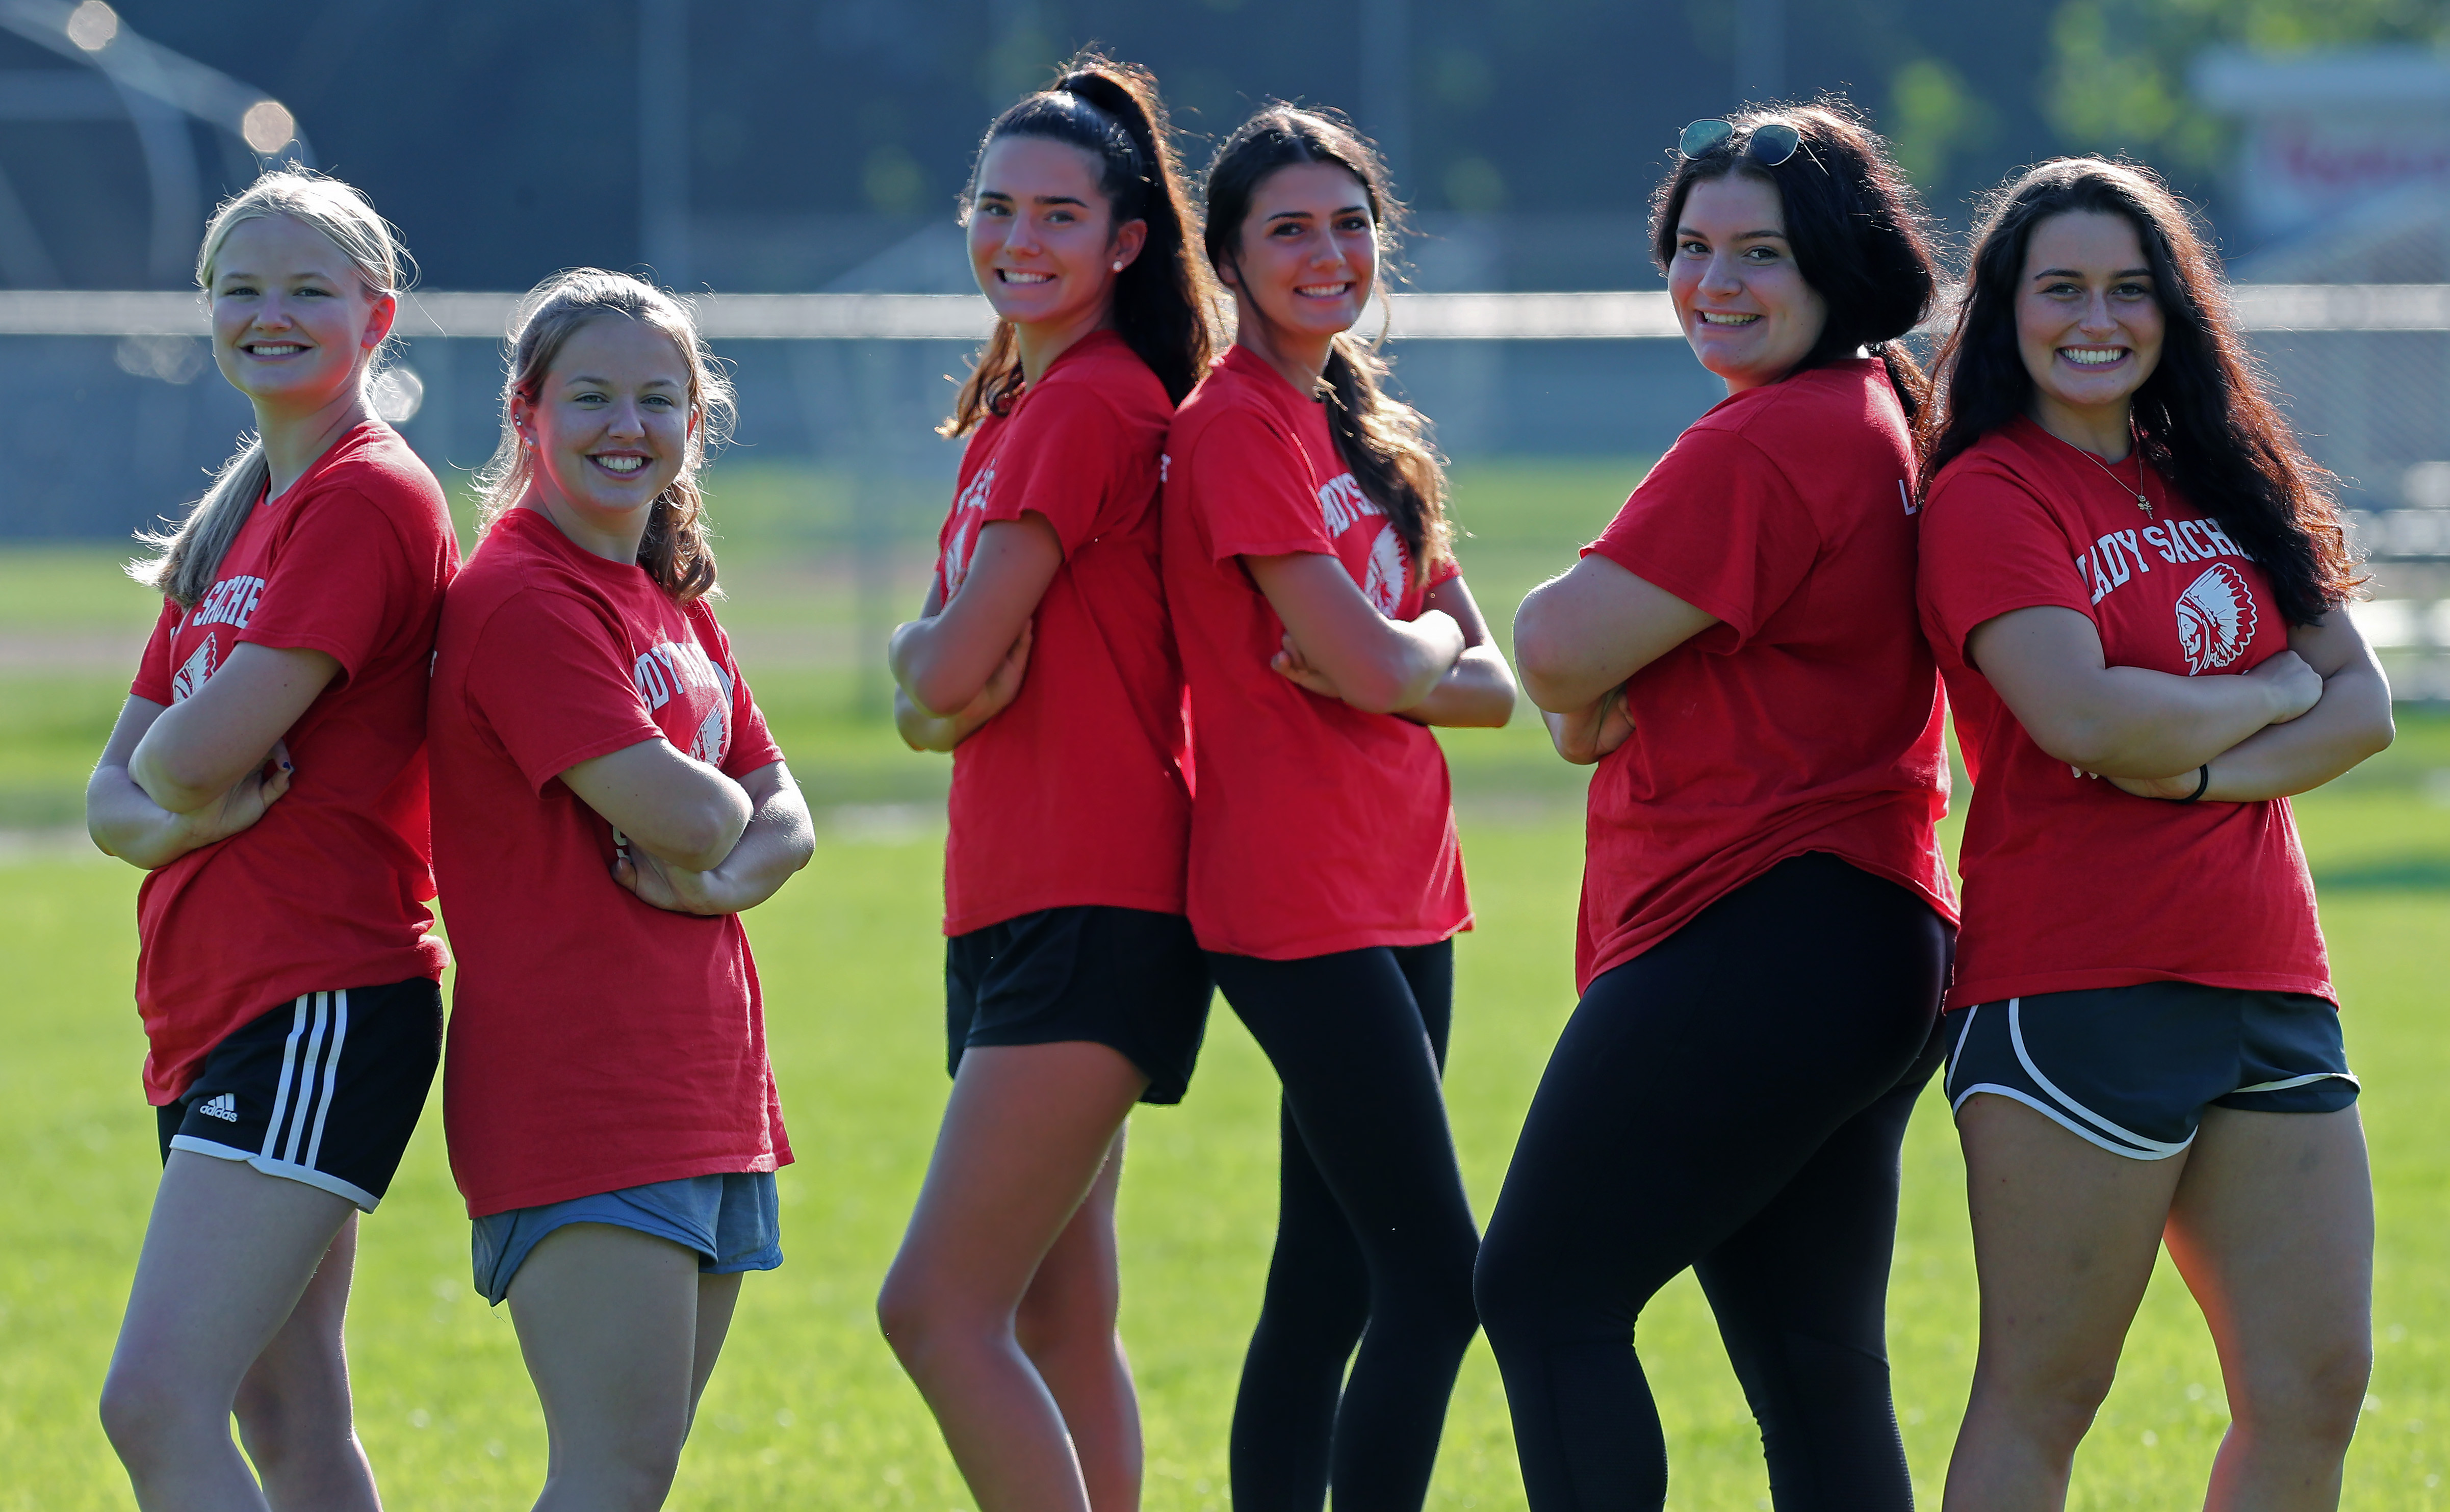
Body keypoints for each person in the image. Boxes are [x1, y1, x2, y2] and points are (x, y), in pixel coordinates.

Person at [1475, 103, 1958, 1510]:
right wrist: (1581, 680)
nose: (1713, 282)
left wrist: (1573, 667)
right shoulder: (1867, 412)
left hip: (1761, 921)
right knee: (1813, 1373)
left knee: (1541, 1291)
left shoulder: (1774, 437)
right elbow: (1574, 699)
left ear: (1838, 269)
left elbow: (1556, 656)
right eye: (1690, 247)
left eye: (1760, 251)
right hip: (1859, 935)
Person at [1916, 159, 2388, 1512]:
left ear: (2174, 311)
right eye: (2058, 287)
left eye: (2129, 288)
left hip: (2268, 974)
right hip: (2077, 982)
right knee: (2045, 1391)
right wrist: (2257, 697)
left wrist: (2185, 770)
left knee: (2311, 1384)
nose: (2095, 319)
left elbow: (2359, 710)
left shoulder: (2221, 473)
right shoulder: (1986, 495)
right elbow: (2079, 716)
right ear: (2004, 309)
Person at [872, 55, 1215, 1512]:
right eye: (994, 206)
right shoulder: (1023, 401)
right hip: (1021, 892)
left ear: (1124, 241)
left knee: (934, 1306)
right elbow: (945, 704)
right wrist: (934, 687)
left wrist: (917, 663)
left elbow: (943, 674)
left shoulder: (1087, 400)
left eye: (1057, 214)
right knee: (1057, 1318)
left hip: (1095, 894)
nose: (1017, 237)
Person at [85, 169, 456, 1511]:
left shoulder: (366, 497)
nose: (271, 315)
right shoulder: (236, 517)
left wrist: (176, 793)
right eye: (241, 291)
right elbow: (111, 800)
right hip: (215, 1000)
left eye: (309, 290)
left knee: (155, 1400)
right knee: (291, 1410)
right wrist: (177, 799)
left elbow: (176, 762)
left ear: (377, 313)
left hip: (316, 998)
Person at [1163, 105, 1516, 1512]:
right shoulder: (1233, 426)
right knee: (1437, 1276)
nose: (1328, 253)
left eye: (1349, 223)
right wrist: (1404, 653)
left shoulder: (1364, 424)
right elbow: (1391, 657)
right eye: (1288, 229)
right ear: (1229, 260)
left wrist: (1398, 657)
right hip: (1291, 897)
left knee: (1321, 1283)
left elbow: (1488, 689)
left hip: (1408, 882)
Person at [426, 269, 814, 1512]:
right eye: (590, 395)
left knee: (634, 1477)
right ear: (525, 411)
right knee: (610, 1474)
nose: (624, 425)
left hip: (702, 1082)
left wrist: (715, 889)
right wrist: (726, 846)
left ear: (696, 422)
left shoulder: (665, 598)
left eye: (659, 399)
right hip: (582, 1089)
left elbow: (785, 818)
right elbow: (702, 809)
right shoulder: (522, 596)